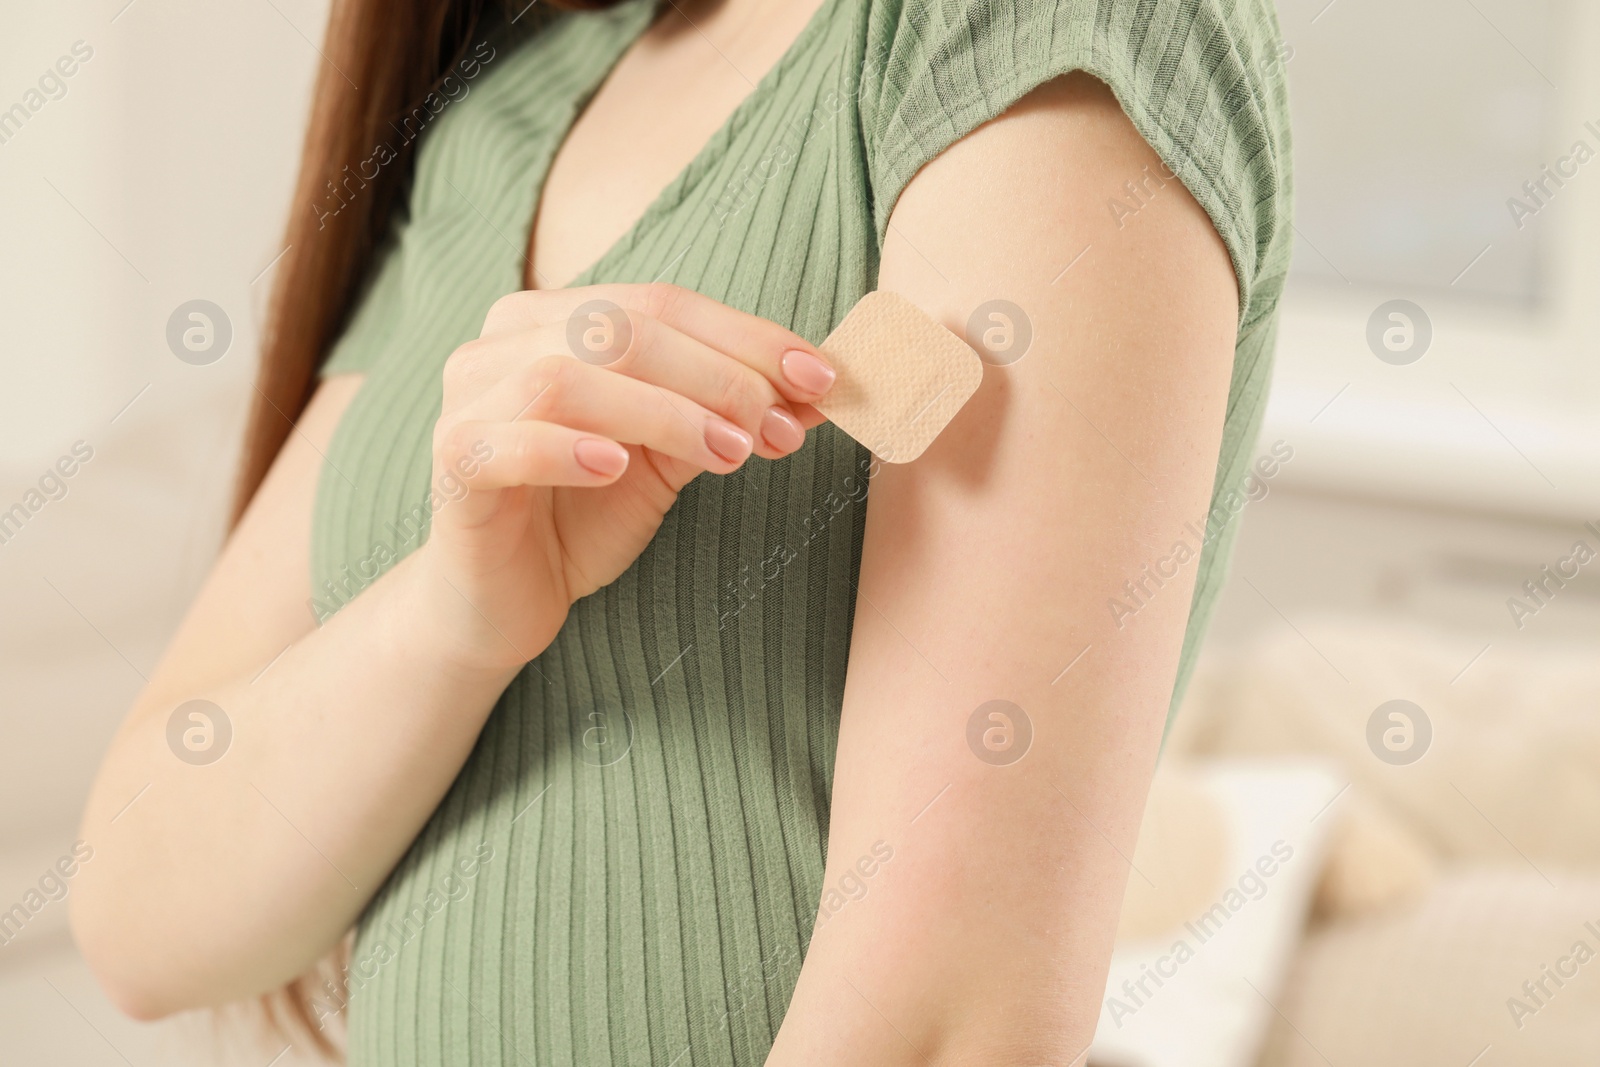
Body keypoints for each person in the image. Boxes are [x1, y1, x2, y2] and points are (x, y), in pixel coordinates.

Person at [71, 0, 1292, 1062]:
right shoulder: (504, 107)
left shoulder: (1030, 29)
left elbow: (949, 1029)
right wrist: (451, 621)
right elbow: (139, 914)